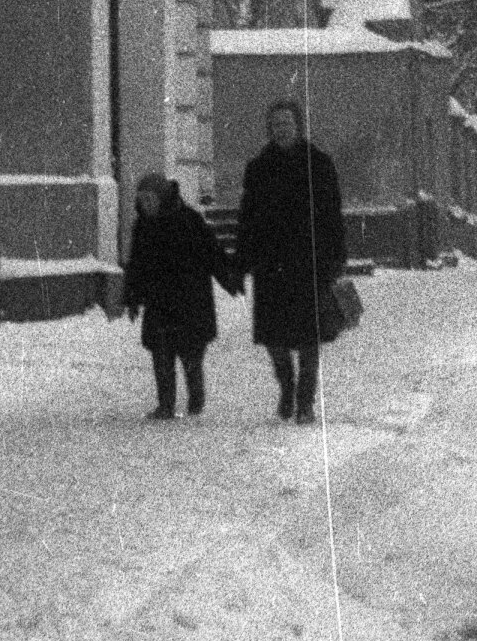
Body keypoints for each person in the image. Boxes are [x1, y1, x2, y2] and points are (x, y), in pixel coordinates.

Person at [233, 97, 346, 421]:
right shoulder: (258, 168)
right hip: (271, 265)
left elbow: (332, 215)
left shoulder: (318, 164)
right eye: (276, 124)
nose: (281, 129)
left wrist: (336, 257)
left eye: (287, 123)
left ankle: (305, 402)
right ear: (269, 129)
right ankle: (286, 386)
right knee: (275, 339)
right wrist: (241, 262)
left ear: (298, 125)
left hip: (310, 263)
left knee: (310, 339)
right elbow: (248, 217)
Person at [121, 170, 228, 420]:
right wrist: (132, 298)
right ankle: (165, 405)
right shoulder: (143, 226)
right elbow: (137, 264)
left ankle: (196, 399)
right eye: (142, 200)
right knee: (161, 355)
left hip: (190, 300)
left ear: (162, 197)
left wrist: (229, 279)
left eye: (150, 199)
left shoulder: (189, 220)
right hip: (159, 302)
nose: (146, 205)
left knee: (190, 355)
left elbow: (212, 253)